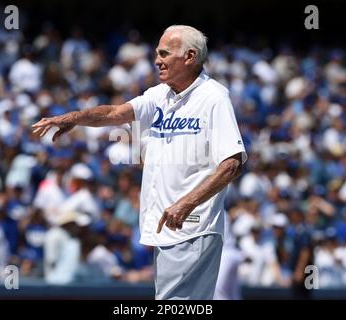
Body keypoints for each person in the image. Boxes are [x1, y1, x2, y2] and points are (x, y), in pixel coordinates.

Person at [32, 25, 247, 300]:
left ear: (190, 56)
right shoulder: (160, 95)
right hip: (170, 227)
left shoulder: (213, 97)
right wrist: (73, 117)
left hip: (192, 226)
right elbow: (113, 113)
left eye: (164, 53)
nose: (157, 60)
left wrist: (186, 203)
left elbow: (232, 163)